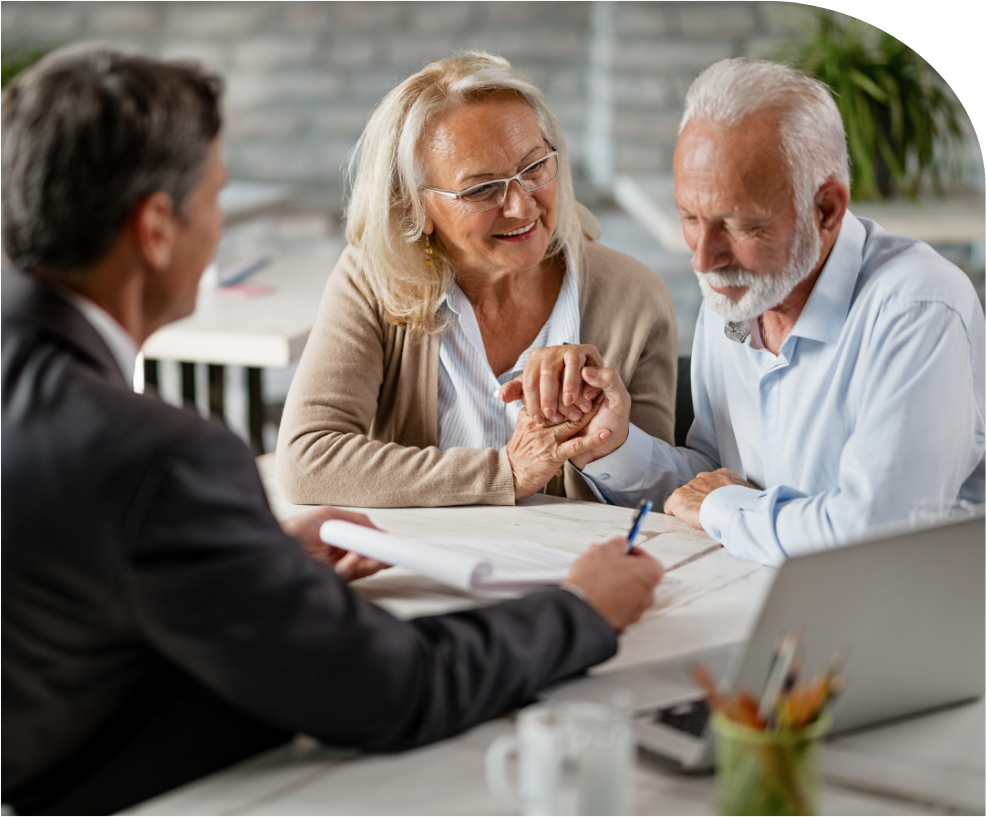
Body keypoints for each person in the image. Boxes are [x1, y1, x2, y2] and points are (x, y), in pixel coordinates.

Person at [0, 47, 664, 816]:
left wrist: (255, 562)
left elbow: (78, 596)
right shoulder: (163, 461)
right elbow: (394, 686)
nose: (220, 228)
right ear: (155, 229)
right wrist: (581, 610)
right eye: (215, 198)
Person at [505, 58, 986, 566]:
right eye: (691, 217)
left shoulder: (918, 309)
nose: (703, 259)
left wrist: (722, 506)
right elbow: (716, 478)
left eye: (738, 225)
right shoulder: (738, 290)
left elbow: (876, 538)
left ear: (826, 209)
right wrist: (608, 442)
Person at [275, 51, 677, 508]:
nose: (522, 206)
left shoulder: (635, 296)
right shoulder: (374, 278)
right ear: (414, 207)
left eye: (534, 168)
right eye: (482, 189)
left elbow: (661, 501)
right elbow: (307, 459)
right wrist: (506, 473)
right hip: (419, 551)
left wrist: (610, 445)